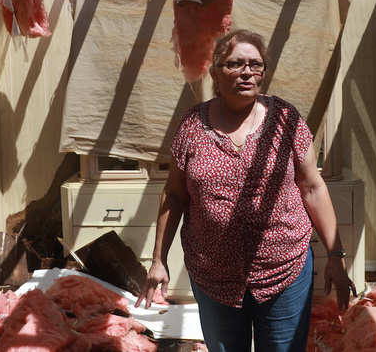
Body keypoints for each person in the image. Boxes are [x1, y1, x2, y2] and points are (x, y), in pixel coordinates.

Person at [136, 29, 356, 352]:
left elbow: (312, 187)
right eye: (235, 64)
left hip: (284, 272)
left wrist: (336, 256)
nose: (247, 72)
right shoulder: (192, 127)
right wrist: (159, 259)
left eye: (255, 65)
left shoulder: (286, 120)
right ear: (214, 72)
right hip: (214, 278)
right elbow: (175, 195)